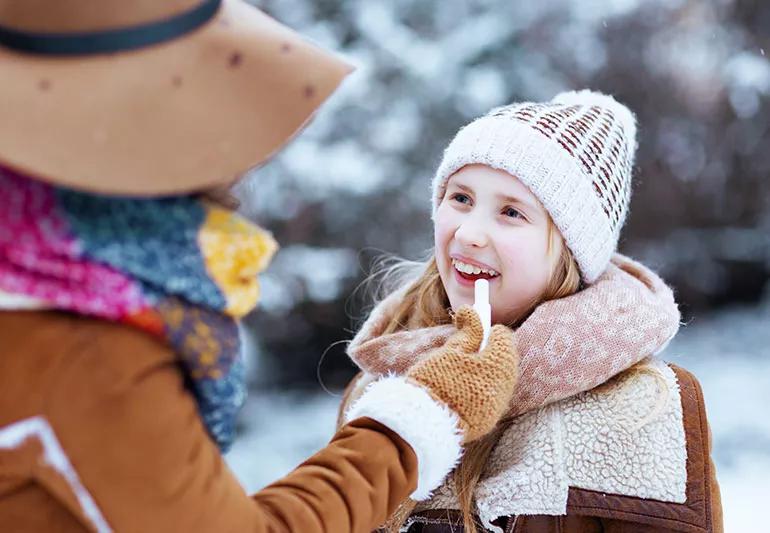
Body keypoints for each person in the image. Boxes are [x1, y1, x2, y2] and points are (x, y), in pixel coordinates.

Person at [0, 1, 520, 531]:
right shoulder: (85, 348)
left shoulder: (45, 275)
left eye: (512, 212)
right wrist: (422, 420)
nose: (240, 174)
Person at [339, 90, 723, 532]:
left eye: (510, 212)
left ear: (569, 251)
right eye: (460, 198)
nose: (469, 234)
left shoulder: (642, 406)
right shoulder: (381, 382)